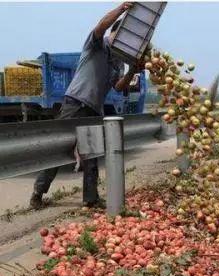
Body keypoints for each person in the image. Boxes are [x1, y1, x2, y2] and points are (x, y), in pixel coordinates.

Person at [30, 2, 143, 209]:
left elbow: (118, 87)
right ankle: (38, 192)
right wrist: (122, 9)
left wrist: (131, 71)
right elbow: (100, 26)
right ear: (115, 33)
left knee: (91, 154)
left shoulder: (118, 61)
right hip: (75, 103)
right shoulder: (98, 44)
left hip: (94, 109)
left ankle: (91, 199)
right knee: (59, 147)